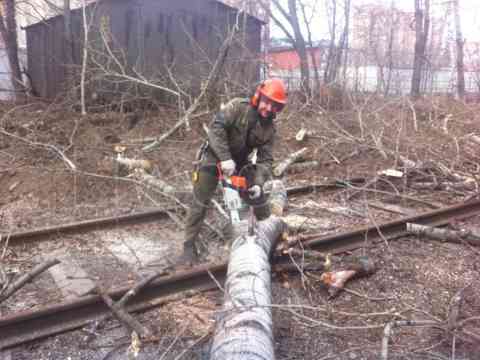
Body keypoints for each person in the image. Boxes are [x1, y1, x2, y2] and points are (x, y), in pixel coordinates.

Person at [182, 78, 288, 263]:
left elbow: (265, 159)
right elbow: (216, 129)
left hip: (239, 161)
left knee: (257, 197)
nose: (269, 109)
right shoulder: (238, 107)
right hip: (214, 155)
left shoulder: (269, 128)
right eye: (267, 103)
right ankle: (188, 246)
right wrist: (224, 158)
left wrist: (258, 183)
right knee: (200, 200)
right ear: (259, 97)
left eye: (274, 106)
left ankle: (266, 236)